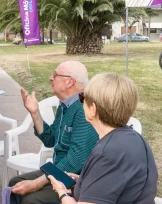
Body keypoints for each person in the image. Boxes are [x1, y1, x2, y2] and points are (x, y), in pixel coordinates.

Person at [49, 73, 158, 204]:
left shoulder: (106, 153)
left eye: (82, 98)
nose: (81, 102)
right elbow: (118, 181)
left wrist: (62, 192)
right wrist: (83, 181)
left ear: (93, 109)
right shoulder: (133, 138)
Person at [9, 61, 99, 203]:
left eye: (55, 75)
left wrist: (37, 183)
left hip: (77, 178)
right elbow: (50, 140)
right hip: (59, 170)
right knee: (16, 183)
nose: (51, 77)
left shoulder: (83, 109)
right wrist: (35, 113)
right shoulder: (65, 104)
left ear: (69, 82)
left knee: (30, 199)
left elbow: (76, 160)